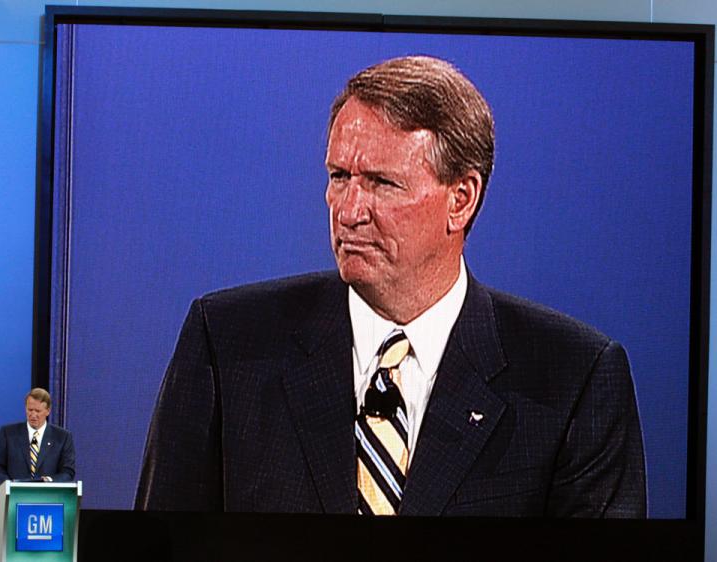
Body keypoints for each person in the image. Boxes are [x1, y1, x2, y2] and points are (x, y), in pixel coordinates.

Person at [136, 55, 646, 516]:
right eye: (339, 177)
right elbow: (156, 549)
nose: (349, 211)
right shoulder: (228, 343)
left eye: (381, 183)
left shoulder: (572, 379)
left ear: (461, 199)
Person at [0, 388, 75, 487]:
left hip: (49, 497)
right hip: (15, 496)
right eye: (30, 410)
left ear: (48, 411)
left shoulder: (62, 437)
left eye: (38, 411)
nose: (33, 415)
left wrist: (49, 480)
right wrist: (9, 485)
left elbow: (68, 472)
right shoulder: (7, 433)